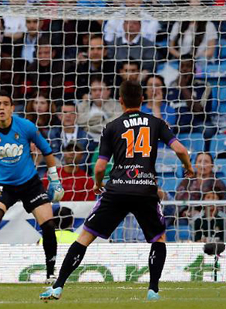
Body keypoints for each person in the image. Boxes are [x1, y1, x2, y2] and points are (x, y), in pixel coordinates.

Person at [40, 80, 194, 301]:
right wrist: (188, 168)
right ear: (143, 99)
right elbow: (180, 149)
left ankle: (58, 286)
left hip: (117, 189)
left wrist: (97, 183)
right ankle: (153, 290)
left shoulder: (112, 126)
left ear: (120, 101)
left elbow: (100, 166)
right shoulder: (156, 122)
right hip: (145, 189)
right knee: (158, 239)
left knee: (85, 237)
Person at [0, 90, 64, 286]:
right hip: (4, 186)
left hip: (30, 184)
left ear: (11, 108)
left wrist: (54, 180)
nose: (1, 107)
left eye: (5, 104)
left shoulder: (25, 126)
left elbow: (46, 150)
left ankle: (51, 274)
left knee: (48, 225)